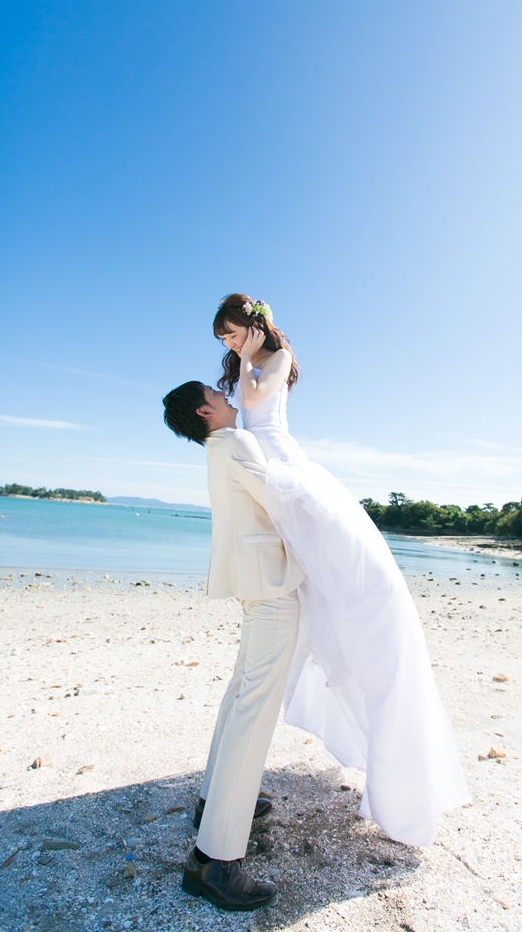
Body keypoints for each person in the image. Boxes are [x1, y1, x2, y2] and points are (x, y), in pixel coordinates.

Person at [212, 293, 470, 848]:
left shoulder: (275, 358)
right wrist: (242, 359)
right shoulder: (249, 361)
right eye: (225, 340)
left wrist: (249, 357)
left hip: (283, 469)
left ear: (253, 327)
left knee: (346, 580)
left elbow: (254, 399)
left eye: (233, 334)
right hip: (266, 470)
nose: (230, 345)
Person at [162, 380, 304, 912]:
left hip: (252, 583)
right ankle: (214, 861)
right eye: (216, 395)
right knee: (254, 711)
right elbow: (283, 500)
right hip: (270, 588)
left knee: (242, 691)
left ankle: (211, 804)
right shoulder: (238, 442)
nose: (226, 395)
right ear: (205, 411)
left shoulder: (218, 447)